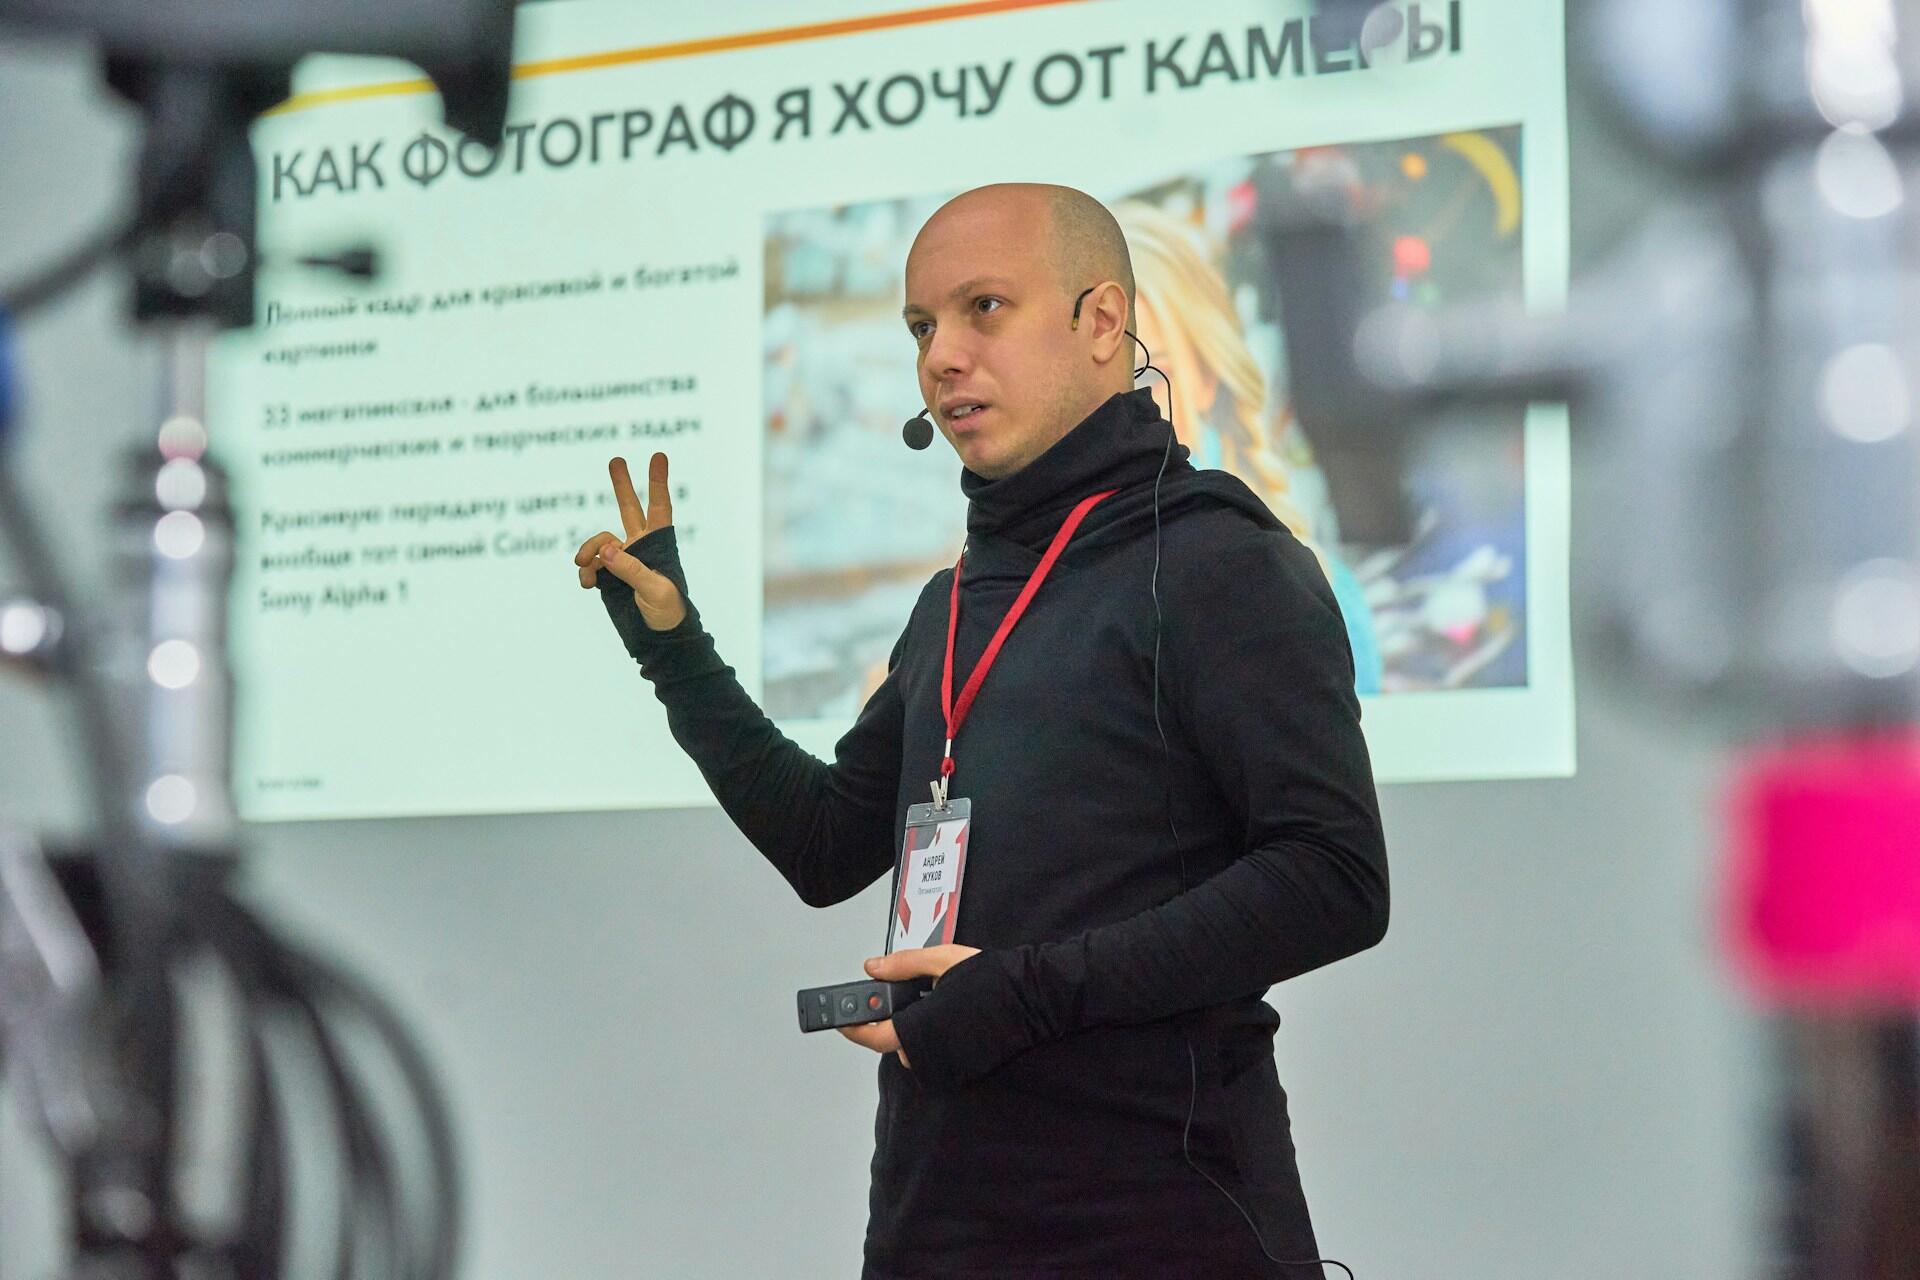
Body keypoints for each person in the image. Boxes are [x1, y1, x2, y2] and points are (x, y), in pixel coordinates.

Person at [574, 183, 1389, 1277]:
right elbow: (826, 845)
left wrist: (1021, 993)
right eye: (921, 326)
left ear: (1103, 321)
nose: (943, 357)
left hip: (1163, 1222)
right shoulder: (951, 604)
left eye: (984, 308)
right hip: (937, 1217)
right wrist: (676, 651)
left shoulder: (1222, 563)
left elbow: (1333, 876)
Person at [1115, 196, 1384, 694]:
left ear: (1207, 377)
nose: (1117, 413)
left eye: (1147, 378)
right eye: (1092, 389)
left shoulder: (1313, 593)